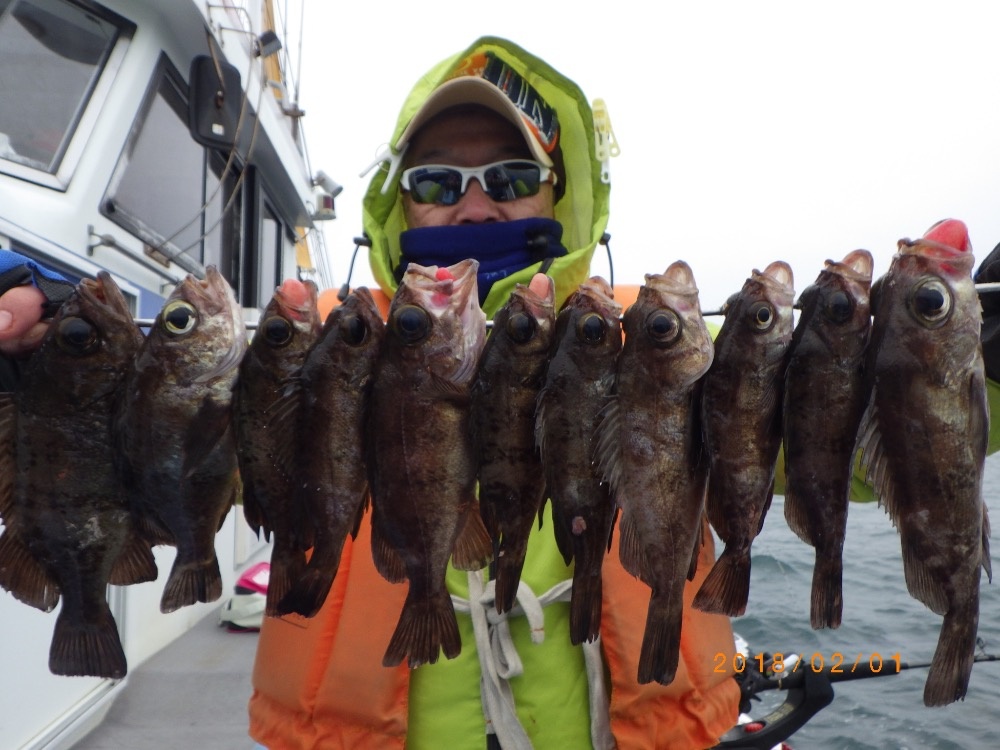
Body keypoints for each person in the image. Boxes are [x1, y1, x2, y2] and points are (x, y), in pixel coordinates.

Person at [247, 37, 741, 750]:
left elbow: (814, 444)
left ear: (556, 189)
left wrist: (907, 362)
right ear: (398, 200)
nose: (475, 208)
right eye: (437, 183)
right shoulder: (326, 341)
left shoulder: (648, 335)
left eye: (510, 178)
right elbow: (209, 449)